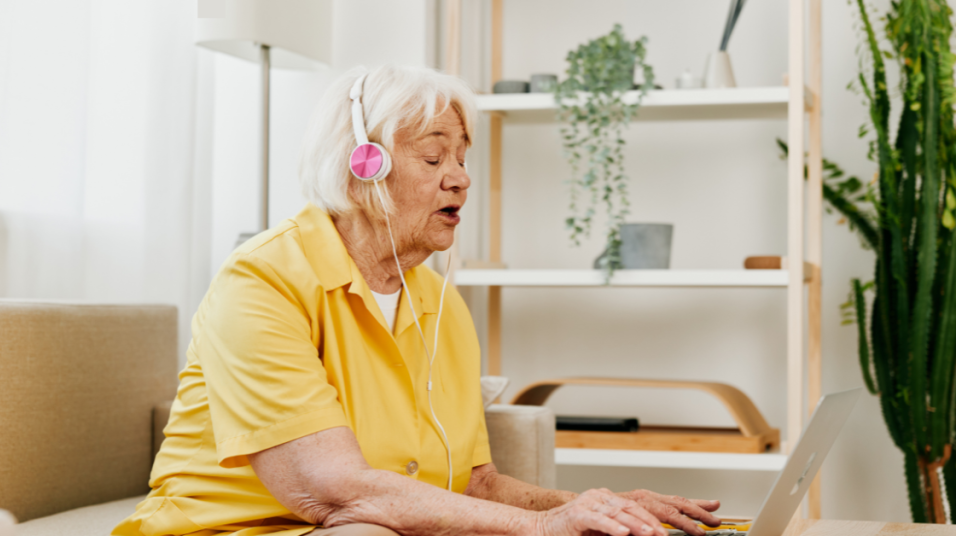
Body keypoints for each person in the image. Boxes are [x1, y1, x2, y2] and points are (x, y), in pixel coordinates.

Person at [113, 65, 722, 536]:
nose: (458, 177)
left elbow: (474, 484)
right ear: (362, 169)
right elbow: (331, 490)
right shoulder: (260, 282)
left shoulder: (435, 299)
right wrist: (540, 526)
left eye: (462, 158)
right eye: (433, 156)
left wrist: (605, 509)